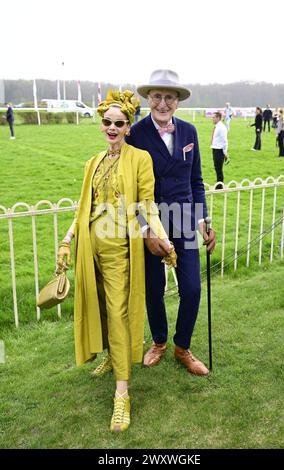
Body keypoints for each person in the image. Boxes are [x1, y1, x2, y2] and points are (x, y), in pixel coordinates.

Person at [57, 89, 173, 432]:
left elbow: (147, 205)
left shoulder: (139, 159)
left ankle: (122, 395)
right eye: (106, 122)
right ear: (101, 124)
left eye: (118, 123)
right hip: (89, 246)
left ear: (128, 126)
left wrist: (162, 238)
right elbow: (84, 208)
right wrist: (67, 239)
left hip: (120, 249)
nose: (111, 127)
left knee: (120, 313)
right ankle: (111, 355)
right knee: (103, 308)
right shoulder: (93, 162)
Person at [126, 69, 216, 377]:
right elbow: (131, 190)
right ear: (148, 99)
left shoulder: (190, 132)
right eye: (157, 97)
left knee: (191, 288)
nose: (162, 103)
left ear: (177, 101)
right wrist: (146, 229)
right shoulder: (135, 134)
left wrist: (204, 220)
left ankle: (182, 347)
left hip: (186, 220)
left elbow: (197, 180)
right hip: (152, 222)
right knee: (154, 288)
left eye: (169, 97)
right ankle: (159, 342)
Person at [211, 111, 229, 189]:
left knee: (218, 168)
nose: (212, 119)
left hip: (219, 150)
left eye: (213, 117)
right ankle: (219, 183)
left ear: (218, 118)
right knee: (217, 167)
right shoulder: (217, 126)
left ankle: (220, 185)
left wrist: (225, 152)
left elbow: (224, 141)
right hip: (215, 148)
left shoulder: (221, 127)